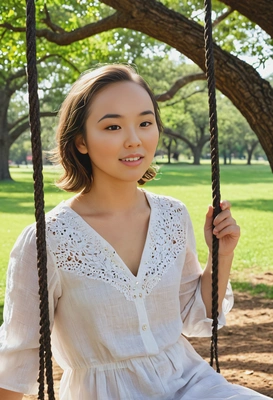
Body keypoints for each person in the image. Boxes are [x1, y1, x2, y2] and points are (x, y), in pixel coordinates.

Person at [0, 64, 270, 400]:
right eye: (112, 126)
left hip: (190, 383)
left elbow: (195, 317)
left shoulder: (172, 215)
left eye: (145, 123)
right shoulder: (47, 240)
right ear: (81, 141)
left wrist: (221, 255)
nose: (134, 140)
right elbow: (18, 356)